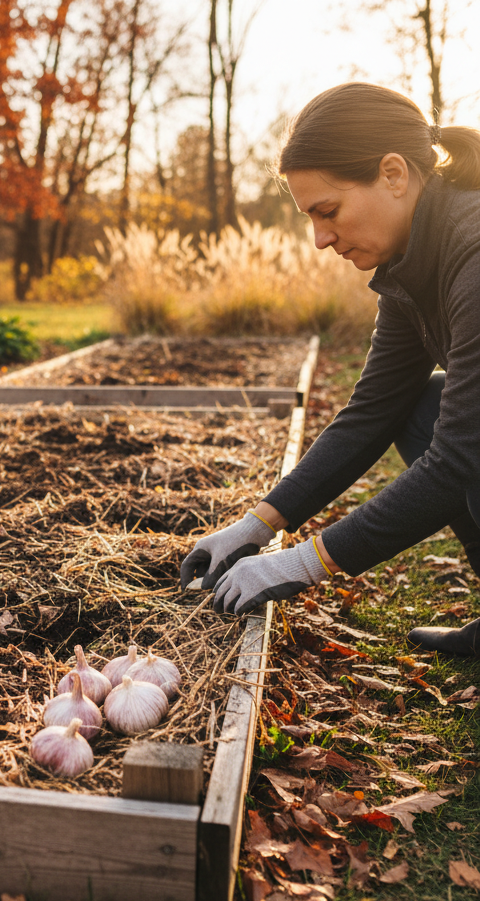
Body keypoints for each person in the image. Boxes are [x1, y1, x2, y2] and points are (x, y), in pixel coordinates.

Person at [180, 81, 480, 656]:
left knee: (458, 436)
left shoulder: (472, 249)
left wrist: (305, 561)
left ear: (394, 174)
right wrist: (257, 526)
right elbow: (372, 411)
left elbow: (460, 459)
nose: (320, 239)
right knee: (422, 406)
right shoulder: (410, 265)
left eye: (329, 211)